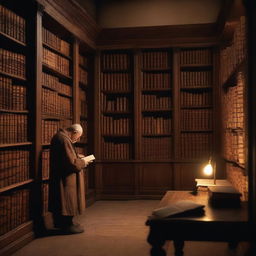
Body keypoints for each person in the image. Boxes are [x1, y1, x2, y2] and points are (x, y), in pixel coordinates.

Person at [48, 123, 91, 234]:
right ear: (74, 132)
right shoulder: (64, 139)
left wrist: (78, 157)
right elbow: (71, 164)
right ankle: (66, 225)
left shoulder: (62, 137)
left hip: (63, 177)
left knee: (67, 200)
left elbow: (68, 157)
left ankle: (67, 223)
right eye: (78, 136)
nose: (78, 138)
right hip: (65, 179)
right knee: (67, 200)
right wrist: (83, 161)